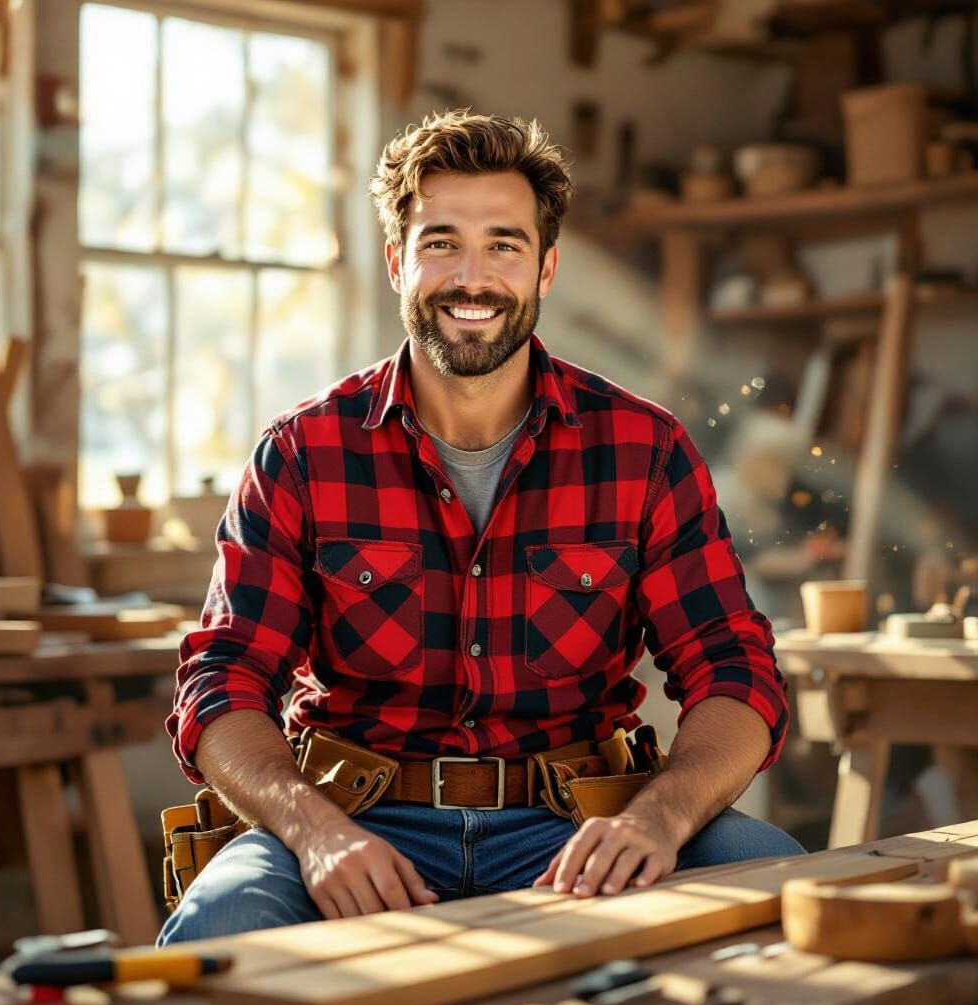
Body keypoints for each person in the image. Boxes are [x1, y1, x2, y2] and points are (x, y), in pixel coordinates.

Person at [158, 110, 802, 945]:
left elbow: (733, 667)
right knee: (221, 925)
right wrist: (314, 834)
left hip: (581, 823)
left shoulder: (644, 448)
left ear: (546, 269)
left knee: (778, 886)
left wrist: (660, 819)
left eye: (503, 245)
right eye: (440, 244)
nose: (473, 277)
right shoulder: (302, 453)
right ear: (397, 262)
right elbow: (223, 681)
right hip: (356, 822)